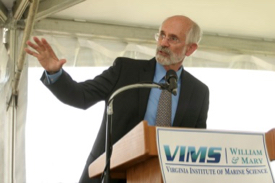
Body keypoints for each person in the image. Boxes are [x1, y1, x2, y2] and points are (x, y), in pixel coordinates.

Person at [25, 15, 209, 183]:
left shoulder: (199, 91)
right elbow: (80, 96)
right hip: (109, 176)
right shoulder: (125, 70)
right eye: (161, 35)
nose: (163, 43)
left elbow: (196, 146)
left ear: (190, 48)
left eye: (173, 38)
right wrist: (54, 72)